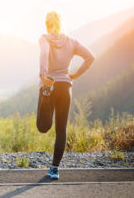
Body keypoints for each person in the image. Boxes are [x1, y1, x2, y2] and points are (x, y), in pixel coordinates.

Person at [36, 11, 95, 179]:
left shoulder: (44, 39)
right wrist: (74, 75)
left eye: (52, 26)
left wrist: (43, 75)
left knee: (43, 127)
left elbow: (44, 53)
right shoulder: (72, 42)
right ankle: (54, 169)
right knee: (61, 129)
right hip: (65, 86)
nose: (52, 29)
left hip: (49, 84)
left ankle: (46, 94)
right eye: (50, 26)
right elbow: (91, 57)